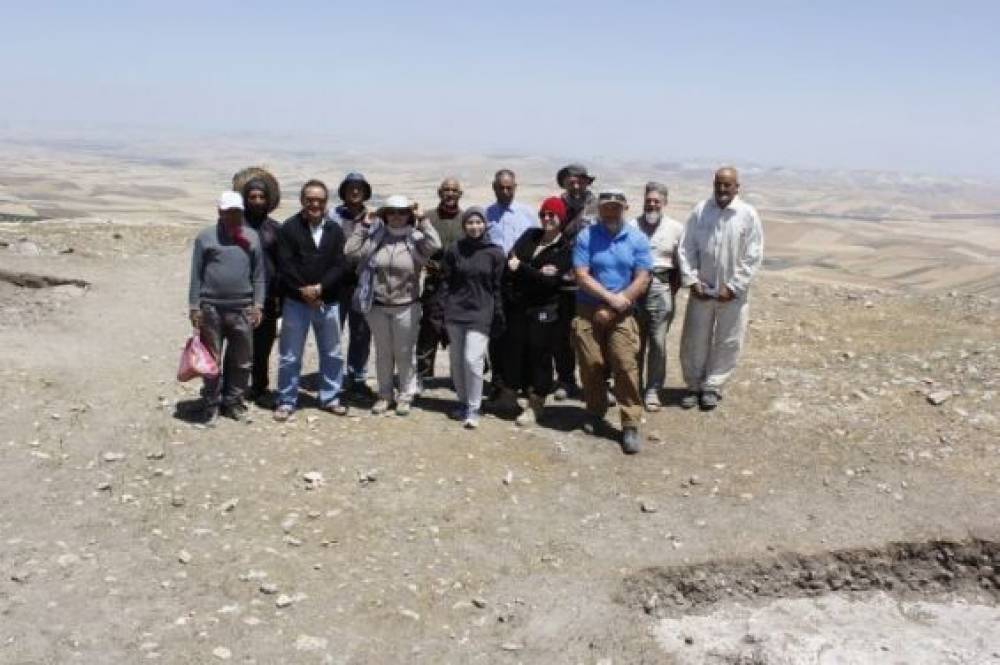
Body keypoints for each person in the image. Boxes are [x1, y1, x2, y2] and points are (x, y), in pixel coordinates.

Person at [571, 188, 652, 454]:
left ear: (625, 207)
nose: (611, 210)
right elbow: (581, 274)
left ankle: (629, 423)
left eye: (616, 206)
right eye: (606, 206)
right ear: (599, 208)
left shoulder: (636, 238)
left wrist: (620, 303)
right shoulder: (586, 236)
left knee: (625, 363)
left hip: (622, 312)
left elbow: (643, 276)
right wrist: (609, 298)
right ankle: (595, 412)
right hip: (588, 309)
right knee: (591, 363)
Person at [677, 167, 764, 411]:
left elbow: (753, 254)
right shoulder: (701, 211)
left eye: (728, 185)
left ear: (737, 187)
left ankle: (713, 386)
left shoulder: (747, 215)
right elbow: (686, 248)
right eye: (718, 184)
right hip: (701, 290)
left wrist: (734, 287)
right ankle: (693, 385)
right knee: (695, 338)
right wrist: (692, 281)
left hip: (732, 294)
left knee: (729, 339)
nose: (722, 189)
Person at [345, 195, 441, 416]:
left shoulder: (415, 238)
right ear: (384, 215)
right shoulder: (377, 237)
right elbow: (350, 252)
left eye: (402, 212)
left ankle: (406, 394)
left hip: (407, 306)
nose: (397, 216)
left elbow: (435, 244)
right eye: (392, 212)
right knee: (383, 352)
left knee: (405, 352)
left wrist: (423, 219)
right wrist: (364, 225)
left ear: (409, 215)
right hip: (377, 306)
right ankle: (385, 395)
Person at [273, 180, 349, 421]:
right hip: (296, 303)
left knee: (332, 353)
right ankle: (286, 400)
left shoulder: (334, 231)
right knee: (290, 354)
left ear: (326, 202)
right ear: (302, 201)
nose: (314, 204)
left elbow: (340, 264)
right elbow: (285, 265)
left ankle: (330, 397)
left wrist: (319, 288)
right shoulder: (289, 228)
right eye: (310, 199)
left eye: (319, 200)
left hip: (328, 302)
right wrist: (303, 290)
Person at [187, 191, 265, 425]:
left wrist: (258, 304)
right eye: (228, 212)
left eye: (237, 212)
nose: (233, 216)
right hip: (211, 309)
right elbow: (196, 275)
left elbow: (259, 276)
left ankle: (233, 403)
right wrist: (194, 306)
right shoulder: (205, 238)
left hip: (243, 309)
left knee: (242, 360)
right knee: (211, 360)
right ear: (219, 212)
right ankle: (211, 405)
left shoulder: (252, 237)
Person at [503, 196, 573, 427]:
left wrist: (523, 267)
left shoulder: (565, 247)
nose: (546, 218)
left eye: (552, 214)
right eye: (543, 214)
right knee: (516, 350)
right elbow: (510, 260)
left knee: (540, 355)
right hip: (520, 306)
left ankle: (536, 404)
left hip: (545, 309)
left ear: (561, 217)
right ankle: (511, 396)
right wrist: (536, 272)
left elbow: (550, 283)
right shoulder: (531, 234)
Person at [440, 207, 506, 428]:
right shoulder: (454, 250)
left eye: (478, 222)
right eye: (470, 222)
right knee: (456, 361)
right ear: (464, 225)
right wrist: (442, 311)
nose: (474, 226)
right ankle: (462, 402)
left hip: (481, 312)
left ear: (485, 224)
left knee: (472, 359)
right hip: (455, 311)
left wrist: (498, 314)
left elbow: (498, 287)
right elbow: (446, 282)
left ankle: (474, 407)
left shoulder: (495, 252)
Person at [484, 169, 537, 408]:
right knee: (497, 333)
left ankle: (524, 383)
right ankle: (499, 383)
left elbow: (539, 242)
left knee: (522, 333)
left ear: (516, 187)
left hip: (521, 280)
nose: (505, 191)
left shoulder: (528, 214)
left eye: (509, 187)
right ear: (494, 188)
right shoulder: (486, 214)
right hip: (496, 280)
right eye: (501, 187)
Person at [630, 181, 683, 412]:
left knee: (658, 343)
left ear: (664, 203)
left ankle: (653, 389)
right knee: (634, 342)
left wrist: (670, 290)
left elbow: (681, 265)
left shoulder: (676, 229)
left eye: (656, 201)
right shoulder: (631, 226)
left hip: (661, 288)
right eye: (648, 200)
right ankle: (633, 387)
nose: (652, 205)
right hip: (633, 290)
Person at [327, 172, 375, 399]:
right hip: (337, 283)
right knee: (333, 332)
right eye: (350, 187)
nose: (355, 191)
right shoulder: (332, 216)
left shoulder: (374, 218)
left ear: (365, 192)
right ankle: (332, 378)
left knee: (361, 333)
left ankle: (357, 378)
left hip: (363, 283)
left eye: (359, 188)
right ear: (344, 191)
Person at [236, 174, 282, 405]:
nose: (256, 200)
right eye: (252, 196)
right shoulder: (235, 228)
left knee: (263, 346)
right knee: (238, 345)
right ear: (245, 199)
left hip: (268, 299)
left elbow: (282, 265)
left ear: (268, 200)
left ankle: (260, 388)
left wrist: (280, 297)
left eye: (261, 196)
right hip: (239, 296)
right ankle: (235, 388)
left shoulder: (275, 229)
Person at [553, 164, 597, 401]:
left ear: (587, 182)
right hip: (562, 280)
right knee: (562, 334)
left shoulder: (598, 206)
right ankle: (566, 380)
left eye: (581, 180)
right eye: (571, 181)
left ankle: (595, 382)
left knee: (591, 333)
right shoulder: (557, 205)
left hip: (591, 281)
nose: (576, 184)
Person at [416, 178, 464, 387]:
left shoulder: (466, 219)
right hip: (434, 283)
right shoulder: (427, 218)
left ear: (459, 194)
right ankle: (423, 375)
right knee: (429, 329)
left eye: (454, 190)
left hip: (459, 285)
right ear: (439, 192)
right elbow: (416, 246)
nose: (450, 194)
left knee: (457, 330)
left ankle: (459, 376)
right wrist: (427, 263)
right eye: (446, 190)